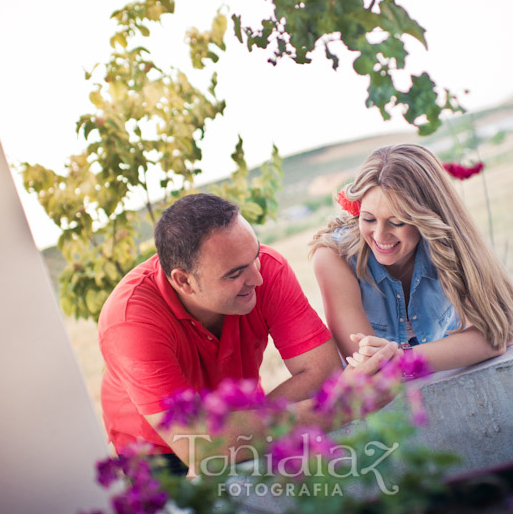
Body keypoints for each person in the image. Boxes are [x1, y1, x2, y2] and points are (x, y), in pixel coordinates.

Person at [98, 193, 398, 476]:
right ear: (184, 281)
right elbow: (197, 444)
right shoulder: (130, 321)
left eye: (254, 255)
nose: (257, 277)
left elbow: (323, 371)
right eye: (234, 274)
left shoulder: (267, 268)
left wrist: (234, 430)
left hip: (247, 416)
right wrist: (337, 409)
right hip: (158, 455)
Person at [310, 144, 513, 374]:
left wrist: (399, 360)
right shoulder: (333, 256)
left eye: (397, 221)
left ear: (427, 217)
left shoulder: (446, 240)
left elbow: (495, 335)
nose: (380, 236)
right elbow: (369, 370)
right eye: (368, 219)